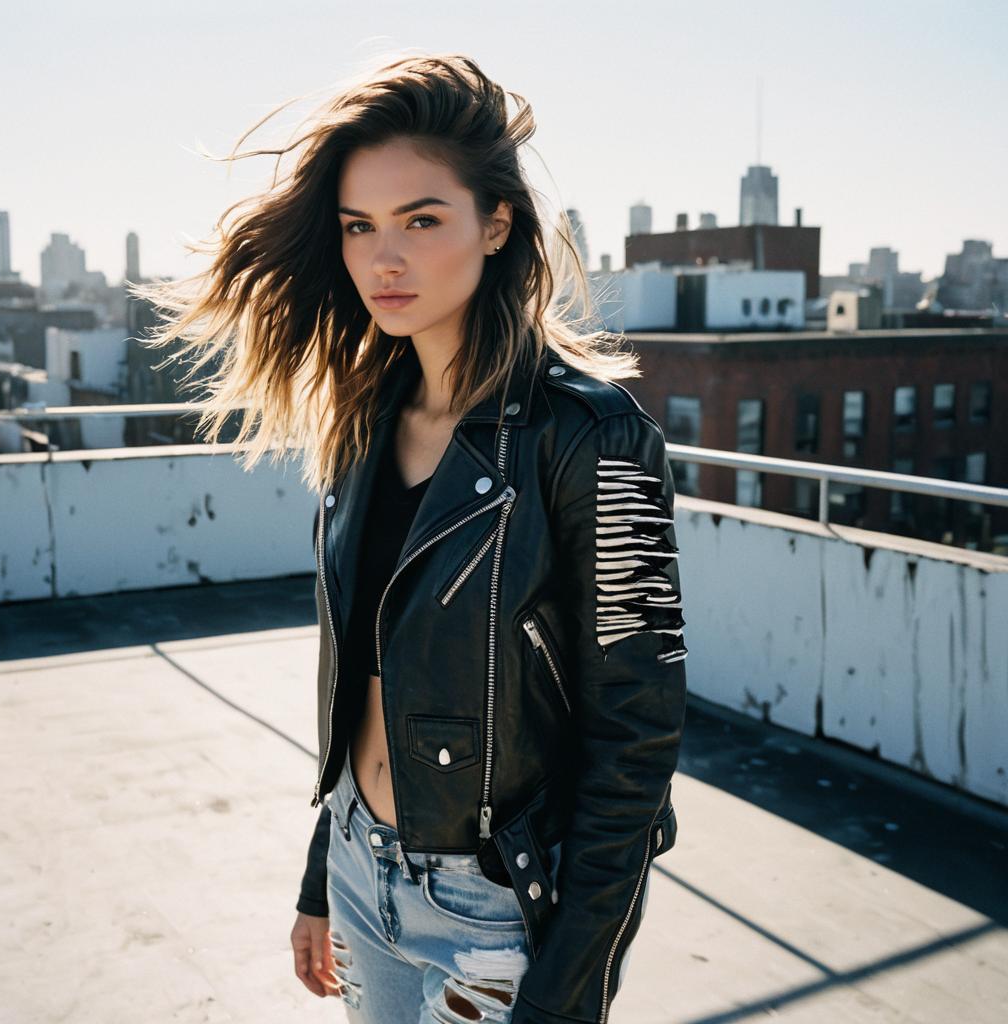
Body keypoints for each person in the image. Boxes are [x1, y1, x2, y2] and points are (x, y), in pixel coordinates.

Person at [130, 52, 688, 1024]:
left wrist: (572, 984)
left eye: (422, 219)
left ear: (496, 221)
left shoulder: (591, 438)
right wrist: (320, 876)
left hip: (489, 904)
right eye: (359, 226)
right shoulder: (364, 418)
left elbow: (635, 735)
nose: (383, 259)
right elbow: (364, 669)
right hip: (358, 861)